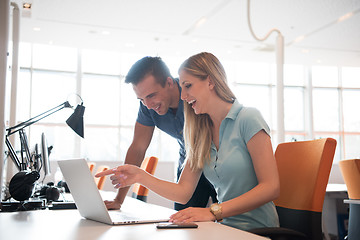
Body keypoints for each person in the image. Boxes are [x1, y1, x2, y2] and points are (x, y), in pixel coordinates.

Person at [96, 52, 280, 231]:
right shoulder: (201, 132)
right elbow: (183, 192)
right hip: (224, 229)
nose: (183, 96)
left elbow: (271, 187)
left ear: (210, 81)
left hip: (258, 231)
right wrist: (140, 176)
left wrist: (213, 211)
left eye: (188, 86)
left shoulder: (248, 118)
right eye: (182, 88)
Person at [104, 56, 217, 211]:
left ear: (169, 83)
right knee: (184, 221)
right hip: (189, 164)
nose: (148, 105)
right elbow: (138, 148)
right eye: (141, 99)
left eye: (151, 95)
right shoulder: (147, 107)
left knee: (226, 217)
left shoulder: (192, 95)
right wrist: (119, 200)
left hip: (218, 163)